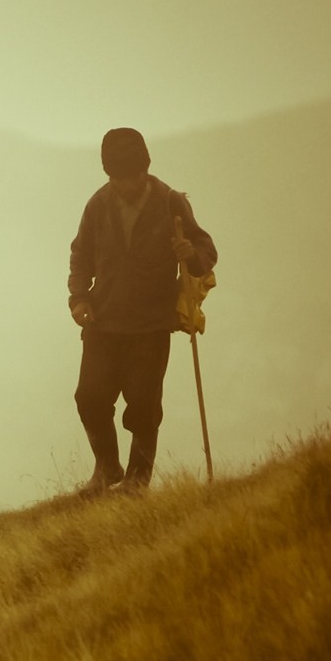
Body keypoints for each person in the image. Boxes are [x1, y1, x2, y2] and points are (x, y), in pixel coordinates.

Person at [66, 127, 217, 495]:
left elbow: (206, 251)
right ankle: (107, 468)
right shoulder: (98, 204)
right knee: (89, 397)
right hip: (103, 320)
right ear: (109, 174)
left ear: (145, 169)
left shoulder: (170, 203)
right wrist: (79, 299)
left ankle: (138, 480)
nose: (126, 185)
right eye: (118, 179)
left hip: (151, 324)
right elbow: (81, 257)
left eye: (132, 177)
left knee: (144, 404)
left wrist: (191, 255)